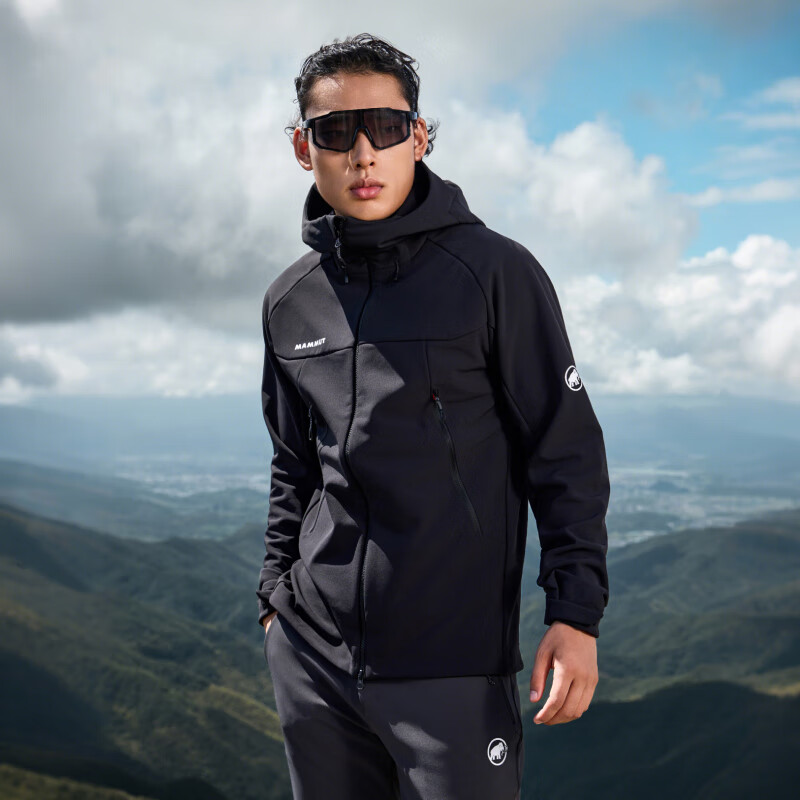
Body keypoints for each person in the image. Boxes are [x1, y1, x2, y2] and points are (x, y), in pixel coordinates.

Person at [256, 32, 610, 800]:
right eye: (335, 132)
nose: (363, 154)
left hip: (452, 666)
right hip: (312, 658)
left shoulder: (495, 273)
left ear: (418, 138)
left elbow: (566, 450)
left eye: (385, 128)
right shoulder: (289, 301)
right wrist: (272, 600)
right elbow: (293, 463)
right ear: (303, 148)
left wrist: (576, 614)